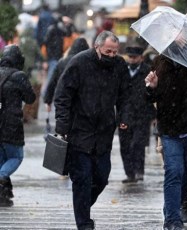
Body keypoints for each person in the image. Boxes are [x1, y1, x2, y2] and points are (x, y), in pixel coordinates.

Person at [54, 31, 129, 230]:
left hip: (104, 132)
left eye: (115, 52)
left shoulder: (119, 65)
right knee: (82, 178)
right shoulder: (79, 63)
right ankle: (84, 223)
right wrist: (62, 125)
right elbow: (62, 96)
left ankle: (82, 207)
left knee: (101, 178)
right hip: (80, 130)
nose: (112, 56)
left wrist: (124, 116)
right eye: (108, 51)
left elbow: (125, 94)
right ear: (97, 47)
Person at [144, 53, 187, 230]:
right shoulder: (159, 62)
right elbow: (151, 98)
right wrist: (151, 87)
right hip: (170, 128)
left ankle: (180, 201)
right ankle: (172, 220)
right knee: (174, 171)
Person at [0, 45, 36, 207]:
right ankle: (1, 177)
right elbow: (30, 98)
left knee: (2, 158)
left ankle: (3, 194)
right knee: (15, 156)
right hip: (11, 123)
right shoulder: (18, 75)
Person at [118, 46, 156, 184]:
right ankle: (130, 173)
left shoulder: (147, 71)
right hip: (125, 114)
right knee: (125, 145)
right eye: (130, 56)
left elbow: (154, 94)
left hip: (142, 113)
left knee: (137, 144)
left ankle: (139, 171)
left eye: (134, 57)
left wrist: (153, 115)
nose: (132, 59)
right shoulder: (122, 71)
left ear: (141, 57)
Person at [43, 37, 89, 110]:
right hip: (83, 101)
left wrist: (48, 100)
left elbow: (52, 82)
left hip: (64, 99)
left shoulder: (62, 62)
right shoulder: (88, 63)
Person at [42, 13, 68, 97]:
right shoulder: (54, 29)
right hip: (54, 55)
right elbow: (46, 41)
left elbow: (67, 33)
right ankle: (46, 93)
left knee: (53, 74)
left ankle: (48, 93)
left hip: (55, 55)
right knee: (52, 74)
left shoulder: (55, 29)